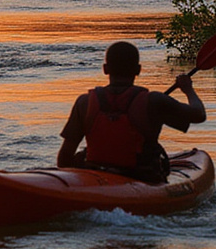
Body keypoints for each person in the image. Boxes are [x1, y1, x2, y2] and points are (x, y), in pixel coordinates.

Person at [56, 41, 207, 183]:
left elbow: (64, 158)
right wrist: (188, 89)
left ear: (105, 69)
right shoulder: (154, 101)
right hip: (142, 178)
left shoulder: (85, 102)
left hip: (96, 177)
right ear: (138, 70)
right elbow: (198, 114)